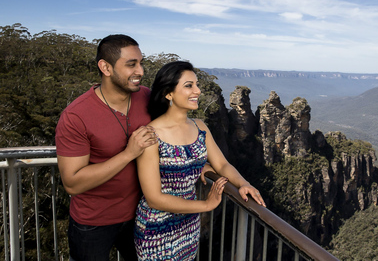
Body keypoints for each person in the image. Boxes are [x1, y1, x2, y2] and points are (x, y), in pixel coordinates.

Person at [134, 61, 266, 261]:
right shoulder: (150, 135)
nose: (198, 90)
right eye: (189, 86)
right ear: (168, 93)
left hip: (189, 224)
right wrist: (206, 205)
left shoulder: (200, 126)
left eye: (196, 85)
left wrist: (243, 184)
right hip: (157, 229)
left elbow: (221, 165)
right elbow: (154, 198)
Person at [55, 34, 158, 261]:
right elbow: (72, 183)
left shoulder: (147, 97)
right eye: (131, 64)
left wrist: (204, 165)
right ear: (105, 67)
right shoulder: (76, 116)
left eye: (141, 63)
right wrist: (129, 154)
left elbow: (177, 131)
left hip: (142, 215)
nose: (140, 71)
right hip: (93, 223)